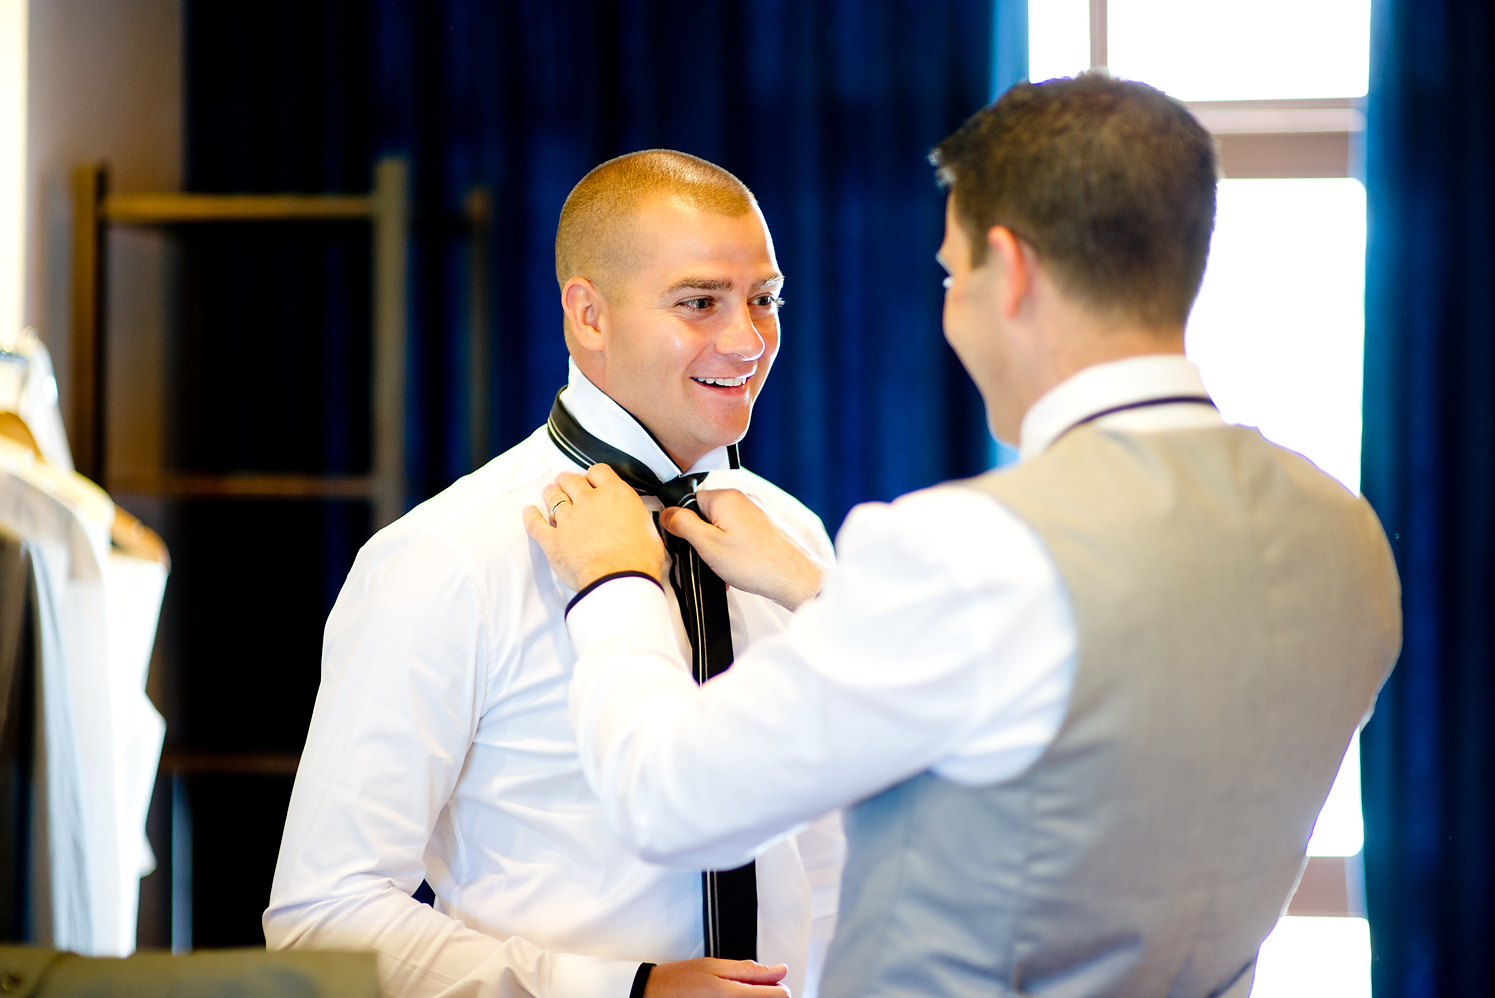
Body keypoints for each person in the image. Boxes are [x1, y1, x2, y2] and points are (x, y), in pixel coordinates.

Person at [526, 75, 1402, 997]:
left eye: (953, 276)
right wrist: (823, 595)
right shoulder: (1343, 537)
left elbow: (666, 800)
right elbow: (1085, 701)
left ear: (1010, 270)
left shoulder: (965, 551)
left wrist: (615, 581)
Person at [264, 150, 844, 998]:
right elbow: (321, 913)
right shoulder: (447, 557)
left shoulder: (793, 542)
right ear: (589, 316)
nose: (748, 341)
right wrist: (625, 990)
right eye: (700, 303)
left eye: (765, 299)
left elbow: (824, 852)